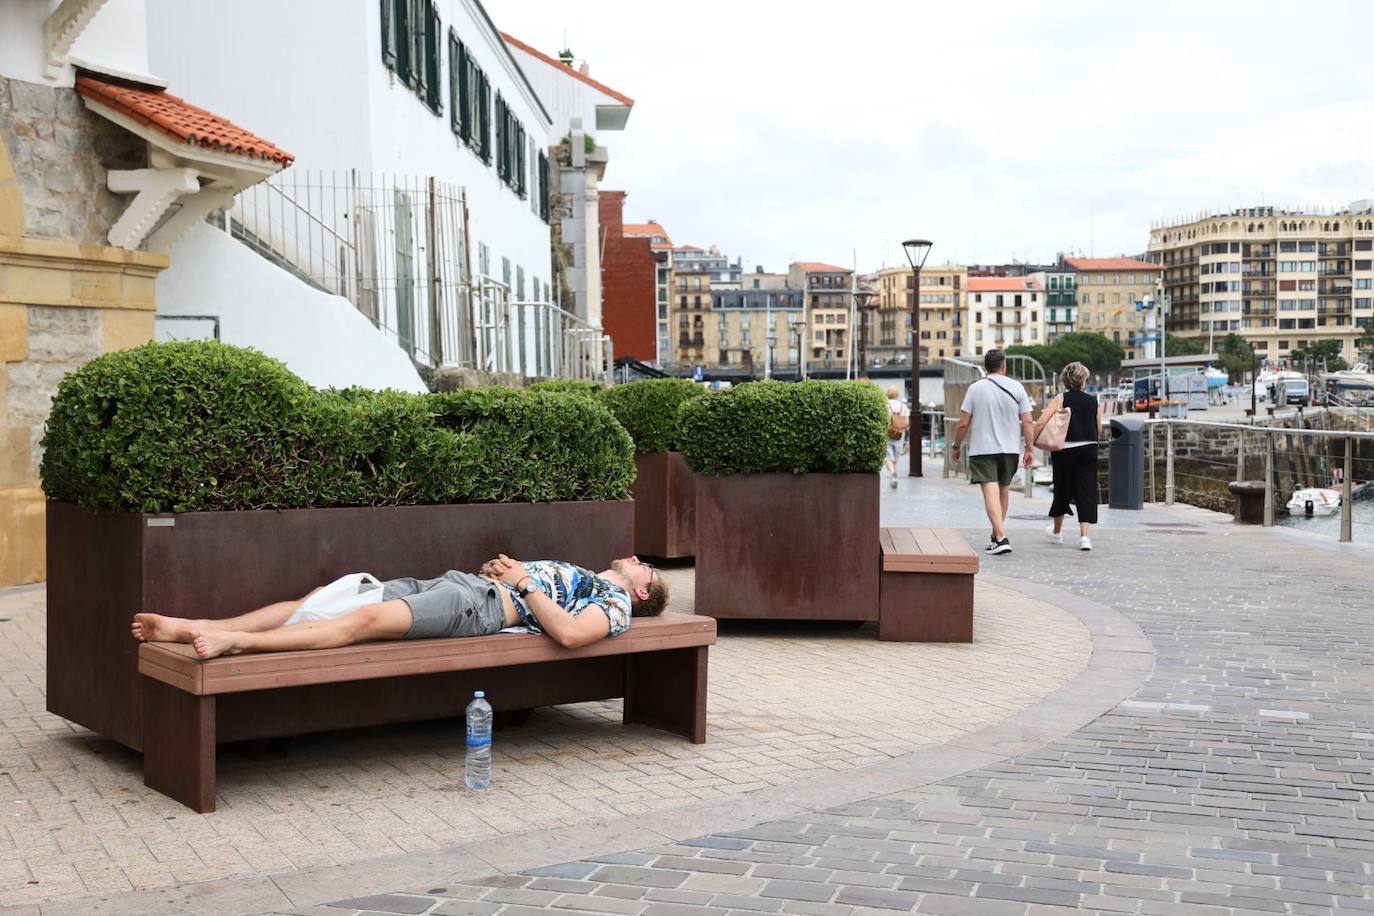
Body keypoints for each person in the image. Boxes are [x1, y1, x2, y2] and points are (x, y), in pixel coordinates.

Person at [130, 555, 668, 659]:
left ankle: (234, 642)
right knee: (319, 601)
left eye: (648, 569)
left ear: (642, 592)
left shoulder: (615, 599)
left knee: (359, 623)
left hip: (475, 608)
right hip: (458, 584)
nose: (640, 560)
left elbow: (573, 636)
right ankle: (196, 626)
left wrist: (523, 582)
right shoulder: (596, 577)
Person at [950, 349, 1034, 555]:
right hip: (1010, 449)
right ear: (1004, 366)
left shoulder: (975, 389)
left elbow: (963, 423)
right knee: (1003, 491)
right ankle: (998, 536)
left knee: (990, 491)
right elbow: (1028, 421)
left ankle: (1001, 537)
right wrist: (1030, 448)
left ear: (987, 366)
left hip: (983, 449)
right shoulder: (1017, 387)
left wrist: (956, 445)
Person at [1038, 361, 1102, 551]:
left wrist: (1032, 440)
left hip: (1065, 449)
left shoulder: (1060, 399)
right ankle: (1084, 538)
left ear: (1065, 380)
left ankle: (1057, 533)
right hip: (1089, 448)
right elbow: (1098, 428)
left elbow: (1042, 421)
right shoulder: (1093, 401)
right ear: (1084, 380)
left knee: (1062, 489)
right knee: (1086, 491)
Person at [884, 385, 910, 489]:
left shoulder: (885, 405)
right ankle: (894, 476)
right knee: (896, 457)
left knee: (888, 456)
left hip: (888, 432)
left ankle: (892, 473)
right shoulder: (903, 406)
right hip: (900, 434)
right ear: (897, 394)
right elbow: (907, 422)